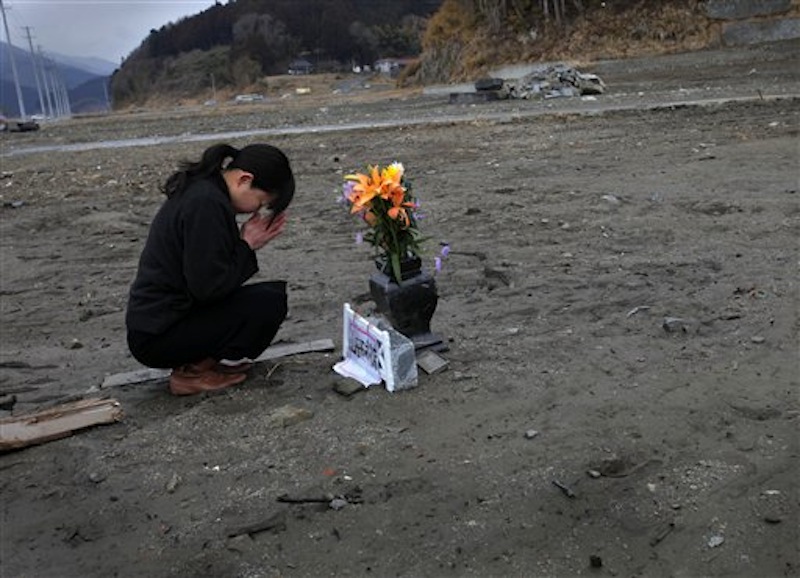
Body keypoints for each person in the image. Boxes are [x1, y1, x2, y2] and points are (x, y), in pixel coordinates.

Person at [126, 143, 295, 395]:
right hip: (157, 335)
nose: (257, 211)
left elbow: (208, 279)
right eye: (260, 202)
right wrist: (247, 244)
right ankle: (192, 373)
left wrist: (243, 247)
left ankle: (202, 364)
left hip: (157, 325)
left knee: (267, 295)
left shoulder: (204, 191)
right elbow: (209, 288)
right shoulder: (206, 202)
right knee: (268, 304)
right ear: (244, 180)